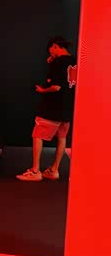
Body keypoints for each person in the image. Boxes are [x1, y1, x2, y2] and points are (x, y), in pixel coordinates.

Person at [17, 36, 77, 182]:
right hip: (68, 108)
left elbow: (56, 87)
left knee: (37, 135)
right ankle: (54, 170)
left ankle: (35, 171)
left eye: (51, 50)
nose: (50, 53)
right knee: (62, 138)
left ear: (55, 46)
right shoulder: (75, 60)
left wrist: (42, 90)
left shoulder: (57, 62)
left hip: (53, 107)